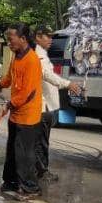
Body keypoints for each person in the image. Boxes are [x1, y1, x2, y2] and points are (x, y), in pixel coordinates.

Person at [0, 23, 43, 200]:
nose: (9, 43)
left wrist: (10, 104)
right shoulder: (16, 56)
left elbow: (28, 92)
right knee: (12, 150)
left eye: (11, 39)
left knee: (24, 153)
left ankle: (31, 188)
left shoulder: (32, 60)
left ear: (23, 39)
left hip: (28, 115)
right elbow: (10, 77)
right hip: (16, 114)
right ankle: (10, 182)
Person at [33, 26, 81, 182]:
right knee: (41, 141)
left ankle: (39, 169)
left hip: (47, 104)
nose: (51, 40)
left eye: (52, 37)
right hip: (43, 105)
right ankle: (41, 171)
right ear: (38, 37)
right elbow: (47, 75)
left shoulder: (42, 55)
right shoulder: (38, 56)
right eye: (48, 36)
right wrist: (68, 84)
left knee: (42, 140)